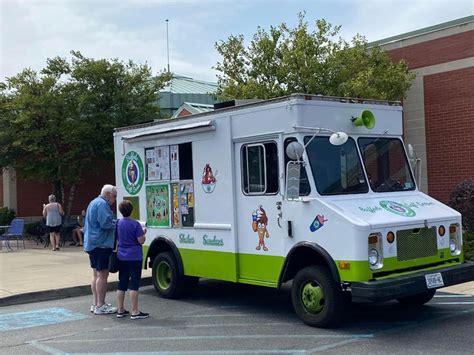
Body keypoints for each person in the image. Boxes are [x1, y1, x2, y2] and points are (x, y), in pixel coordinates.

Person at [84, 184, 118, 315]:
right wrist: (117, 223)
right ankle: (101, 305)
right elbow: (105, 224)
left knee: (96, 274)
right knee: (103, 275)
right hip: (101, 244)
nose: (114, 200)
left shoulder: (93, 202)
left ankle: (95, 303)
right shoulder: (102, 205)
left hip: (92, 243)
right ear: (108, 194)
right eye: (114, 196)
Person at [116, 200, 148, 320]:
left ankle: (120, 309)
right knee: (134, 283)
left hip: (121, 256)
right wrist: (143, 234)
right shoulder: (135, 224)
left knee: (122, 283)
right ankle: (134, 311)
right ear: (131, 210)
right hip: (134, 256)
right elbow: (140, 240)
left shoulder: (118, 223)